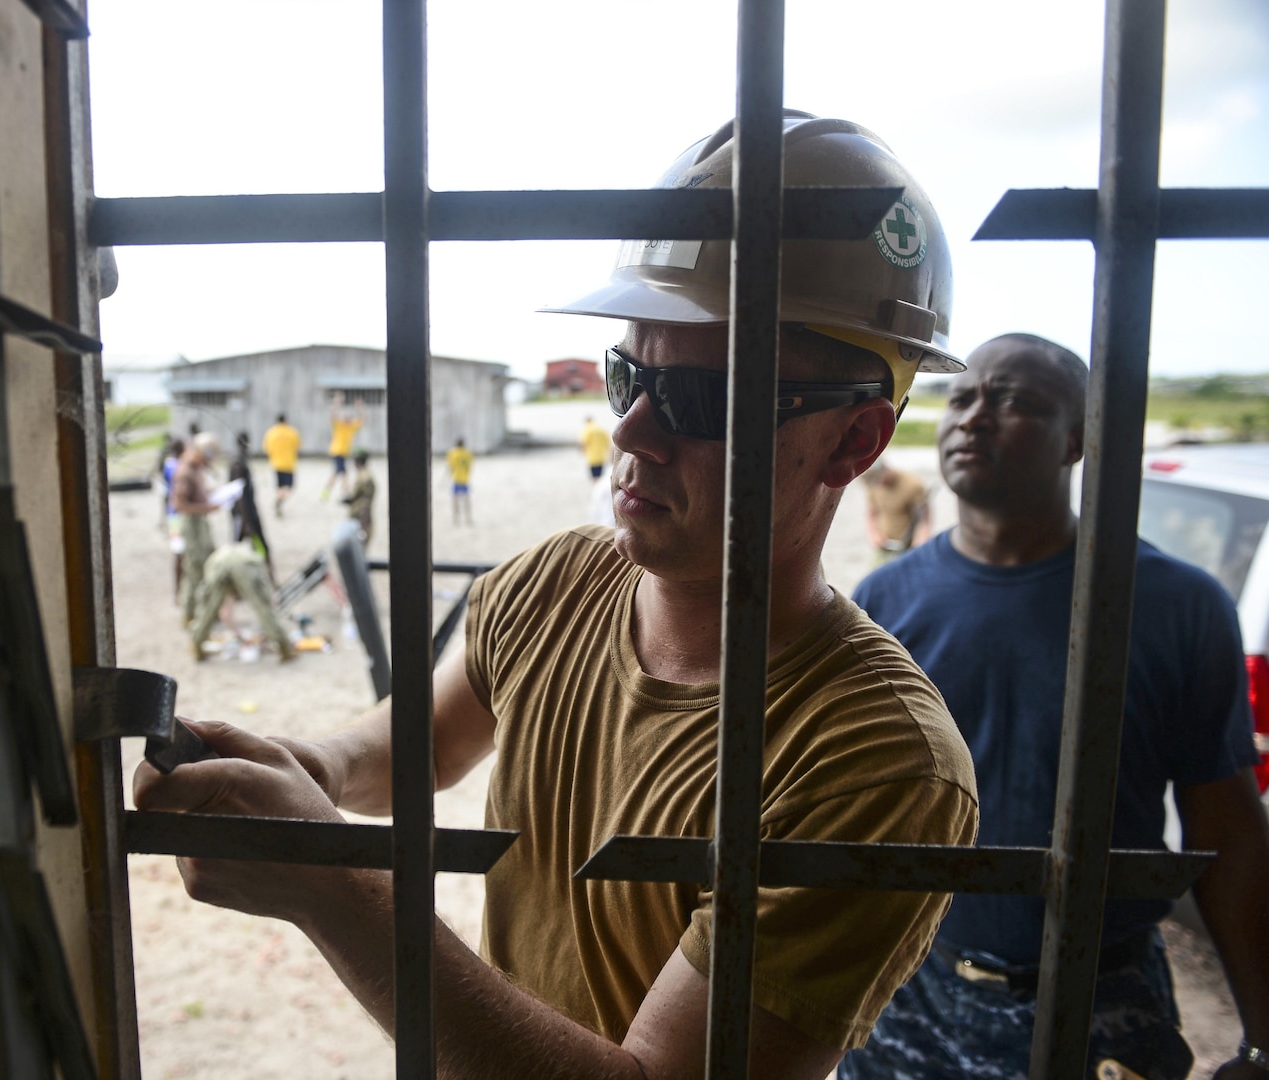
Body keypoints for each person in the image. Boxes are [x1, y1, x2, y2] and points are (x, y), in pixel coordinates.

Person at [134, 112, 978, 1077]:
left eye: (699, 400)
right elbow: (421, 746)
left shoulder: (876, 764)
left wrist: (336, 888)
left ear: (855, 442)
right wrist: (312, 771)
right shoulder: (558, 581)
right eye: (629, 374)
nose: (632, 432)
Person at [841, 334, 1269, 1080]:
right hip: (913, 990)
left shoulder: (1174, 606)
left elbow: (1225, 828)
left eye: (1015, 401)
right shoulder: (883, 603)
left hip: (1101, 1001)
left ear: (1077, 439)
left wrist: (1261, 1039)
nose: (973, 417)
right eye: (961, 396)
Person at [189, 542, 298, 663]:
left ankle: (196, 645)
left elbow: (221, 611)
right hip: (241, 566)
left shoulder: (222, 563)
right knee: (263, 608)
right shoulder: (253, 561)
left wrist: (239, 634)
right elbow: (267, 601)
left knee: (208, 609)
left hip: (219, 563)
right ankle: (285, 647)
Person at [170, 433, 221, 628]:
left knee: (206, 565)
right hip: (191, 525)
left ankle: (201, 613)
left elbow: (196, 495)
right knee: (193, 569)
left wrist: (209, 495)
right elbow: (179, 504)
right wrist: (207, 508)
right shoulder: (185, 471)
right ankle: (189, 615)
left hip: (199, 523)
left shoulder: (195, 469)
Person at [861, 458, 931, 561]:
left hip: (908, 548)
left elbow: (924, 520)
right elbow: (871, 513)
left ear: (886, 469)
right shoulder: (874, 487)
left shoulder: (913, 485)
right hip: (884, 546)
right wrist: (874, 534)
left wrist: (920, 543)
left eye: (879, 479)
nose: (880, 484)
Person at [227, 432, 272, 578]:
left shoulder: (240, 461)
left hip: (247, 513)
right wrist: (246, 521)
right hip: (244, 515)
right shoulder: (238, 464)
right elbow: (239, 496)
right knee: (237, 551)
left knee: (259, 547)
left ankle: (268, 577)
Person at [319, 393, 364, 500]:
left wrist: (360, 407)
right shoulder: (338, 425)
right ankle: (344, 493)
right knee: (342, 473)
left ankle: (328, 492)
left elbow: (362, 419)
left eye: (348, 418)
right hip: (337, 452)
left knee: (339, 473)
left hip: (344, 453)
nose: (346, 420)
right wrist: (337, 402)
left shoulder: (351, 427)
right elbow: (333, 415)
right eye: (345, 418)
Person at [261, 413, 301, 518]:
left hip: (276, 464)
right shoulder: (292, 432)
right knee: (289, 488)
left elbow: (266, 449)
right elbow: (298, 448)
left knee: (279, 486)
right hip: (289, 464)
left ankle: (278, 500)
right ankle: (280, 501)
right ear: (286, 421)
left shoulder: (271, 432)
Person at [342, 449, 375, 547]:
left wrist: (363, 527)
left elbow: (366, 502)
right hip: (357, 516)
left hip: (360, 518)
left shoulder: (365, 478)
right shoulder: (363, 474)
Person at [446, 437, 473, 526]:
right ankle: (468, 518)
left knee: (455, 501)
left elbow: (451, 467)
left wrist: (449, 475)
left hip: (456, 480)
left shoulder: (452, 453)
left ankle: (456, 520)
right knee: (466, 500)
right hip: (465, 480)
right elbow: (469, 466)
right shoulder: (468, 453)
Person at [579, 414, 610, 481]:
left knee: (594, 477)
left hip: (592, 458)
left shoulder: (587, 429)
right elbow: (608, 443)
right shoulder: (601, 429)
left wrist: (582, 452)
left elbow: (583, 443)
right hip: (601, 457)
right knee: (600, 476)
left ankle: (597, 489)